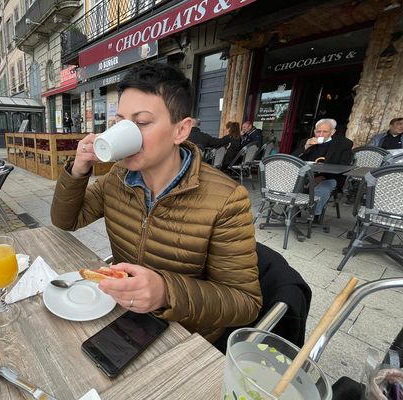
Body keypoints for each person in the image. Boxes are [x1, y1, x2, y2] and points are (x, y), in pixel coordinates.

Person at [50, 63, 261, 344]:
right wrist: (78, 171)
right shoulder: (118, 177)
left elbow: (245, 302)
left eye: (142, 122)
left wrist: (165, 292)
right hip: (124, 315)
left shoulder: (226, 200)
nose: (126, 132)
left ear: (180, 131)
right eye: (121, 122)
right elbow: (66, 221)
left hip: (186, 336)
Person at [298, 118, 353, 222]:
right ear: (314, 131)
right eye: (318, 131)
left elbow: (343, 166)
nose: (321, 134)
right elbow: (294, 160)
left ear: (332, 132)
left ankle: (314, 215)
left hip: (331, 176)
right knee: (294, 182)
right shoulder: (307, 142)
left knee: (322, 189)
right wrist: (305, 147)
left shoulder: (344, 144)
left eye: (325, 131)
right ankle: (293, 210)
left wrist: (323, 177)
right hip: (308, 174)